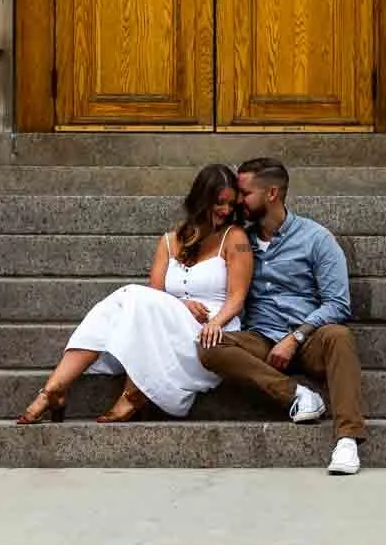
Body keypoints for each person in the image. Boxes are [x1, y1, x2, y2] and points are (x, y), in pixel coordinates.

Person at [15, 163, 254, 425]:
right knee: (126, 302)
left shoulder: (235, 238)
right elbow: (156, 293)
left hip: (211, 331)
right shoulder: (169, 241)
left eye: (230, 204)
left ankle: (103, 392)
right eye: (219, 203)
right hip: (168, 322)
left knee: (131, 297)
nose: (226, 210)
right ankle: (55, 390)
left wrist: (215, 323)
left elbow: (237, 298)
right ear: (201, 200)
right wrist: (182, 304)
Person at [197, 157, 369, 475]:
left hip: (309, 338)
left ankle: (347, 439)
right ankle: (298, 395)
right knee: (209, 345)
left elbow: (338, 303)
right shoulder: (240, 240)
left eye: (245, 193)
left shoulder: (316, 239)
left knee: (340, 336)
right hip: (261, 338)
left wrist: (296, 337)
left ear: (272, 193)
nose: (238, 201)